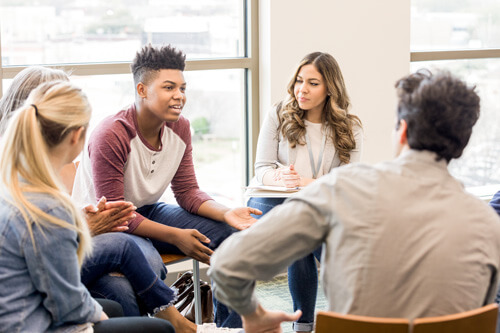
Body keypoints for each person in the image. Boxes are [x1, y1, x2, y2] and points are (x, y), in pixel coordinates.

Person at [209, 69, 500, 332]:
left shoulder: (341, 189)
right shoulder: (489, 224)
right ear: (461, 146)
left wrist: (255, 314)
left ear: (403, 131)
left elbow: (226, 266)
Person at [72, 44, 261, 328]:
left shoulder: (180, 127)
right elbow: (117, 215)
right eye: (169, 87)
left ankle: (231, 326)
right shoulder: (111, 134)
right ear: (142, 89)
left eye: (183, 88)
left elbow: (187, 191)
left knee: (231, 237)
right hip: (106, 226)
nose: (179, 96)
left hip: (147, 211)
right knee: (148, 265)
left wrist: (226, 213)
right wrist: (175, 236)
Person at [0, 80, 174, 333]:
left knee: (115, 305)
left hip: (20, 309)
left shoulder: (15, 182)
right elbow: (66, 305)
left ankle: (168, 314)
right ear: (76, 135)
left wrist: (75, 224)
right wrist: (99, 318)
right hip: (33, 323)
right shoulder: (48, 206)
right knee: (159, 330)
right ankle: (173, 320)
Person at [247, 51, 362, 332]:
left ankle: (308, 325)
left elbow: (346, 181)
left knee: (305, 232)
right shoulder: (278, 113)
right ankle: (321, 322)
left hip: (318, 202)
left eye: (313, 83)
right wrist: (278, 176)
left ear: (330, 89)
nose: (302, 89)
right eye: (299, 80)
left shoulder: (350, 126)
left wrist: (309, 184)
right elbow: (261, 168)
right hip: (274, 200)